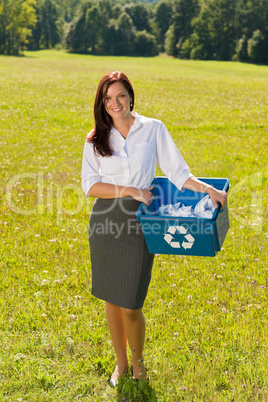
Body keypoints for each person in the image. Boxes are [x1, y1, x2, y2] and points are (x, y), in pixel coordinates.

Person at [81, 71, 227, 386]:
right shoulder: (96, 138)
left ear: (130, 96)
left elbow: (177, 172)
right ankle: (120, 366)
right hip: (105, 221)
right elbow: (90, 186)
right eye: (108, 98)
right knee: (111, 298)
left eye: (120, 96)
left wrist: (208, 191)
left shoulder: (153, 129)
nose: (115, 103)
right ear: (102, 103)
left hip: (138, 221)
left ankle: (138, 364)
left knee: (131, 304)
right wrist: (128, 191)